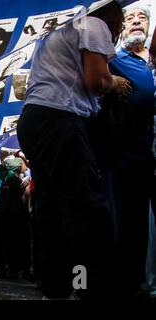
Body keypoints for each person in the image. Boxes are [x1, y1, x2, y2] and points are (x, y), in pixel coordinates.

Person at [16, 1, 128, 299]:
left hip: (33, 120)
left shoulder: (54, 30)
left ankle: (56, 289)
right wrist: (114, 81)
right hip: (61, 119)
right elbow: (96, 80)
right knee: (85, 211)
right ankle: (88, 289)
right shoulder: (94, 25)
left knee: (51, 209)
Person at [104, 4, 156, 299]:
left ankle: (137, 282)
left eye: (142, 17)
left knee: (141, 225)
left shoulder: (152, 62)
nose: (136, 22)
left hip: (148, 154)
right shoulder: (115, 59)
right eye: (130, 18)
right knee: (120, 221)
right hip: (121, 154)